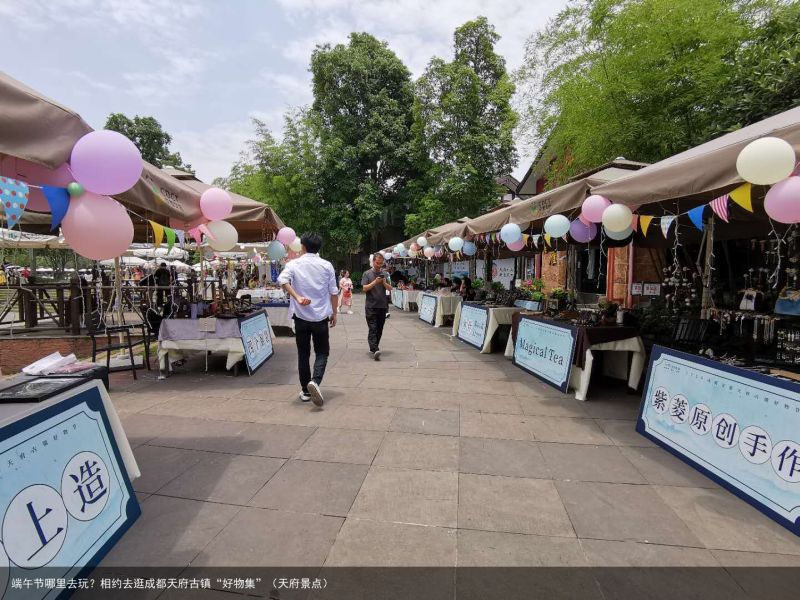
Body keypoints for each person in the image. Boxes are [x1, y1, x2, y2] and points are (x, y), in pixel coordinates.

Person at [278, 232, 338, 407]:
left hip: (301, 317)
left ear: (302, 246)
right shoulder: (326, 265)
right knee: (322, 352)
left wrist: (297, 297)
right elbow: (334, 292)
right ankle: (315, 381)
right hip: (320, 318)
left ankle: (305, 390)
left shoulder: (294, 264)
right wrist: (334, 313)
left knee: (303, 354)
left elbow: (282, 280)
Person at [361, 253, 392, 360]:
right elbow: (364, 288)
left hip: (382, 306)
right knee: (373, 328)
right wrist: (375, 282)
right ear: (373, 261)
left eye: (381, 263)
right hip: (371, 306)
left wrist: (383, 282)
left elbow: (390, 288)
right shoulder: (367, 273)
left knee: (379, 328)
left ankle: (374, 347)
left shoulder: (385, 274)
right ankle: (375, 348)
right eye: (377, 263)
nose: (379, 265)